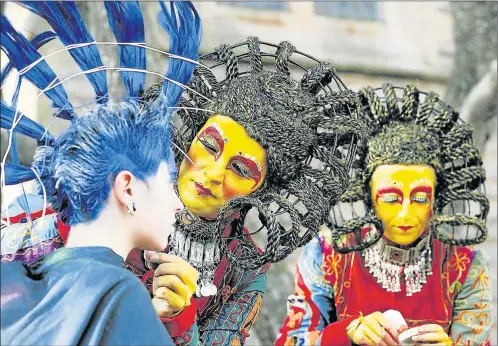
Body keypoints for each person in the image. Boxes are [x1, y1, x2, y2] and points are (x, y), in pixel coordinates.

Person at [1, 6, 367, 345]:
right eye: (210, 146)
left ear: (263, 190)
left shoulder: (242, 267)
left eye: (241, 170)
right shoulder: (107, 190)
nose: (211, 173)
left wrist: (178, 321)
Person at [0, 1, 200, 345]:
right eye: (167, 183)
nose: (177, 203)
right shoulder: (121, 295)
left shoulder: (14, 282)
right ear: (128, 188)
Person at [275, 84, 493, 346]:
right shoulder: (327, 254)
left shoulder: (464, 267)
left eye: (420, 199)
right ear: (369, 196)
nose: (405, 213)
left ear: (436, 199)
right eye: (391, 199)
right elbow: (291, 340)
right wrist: (347, 333)